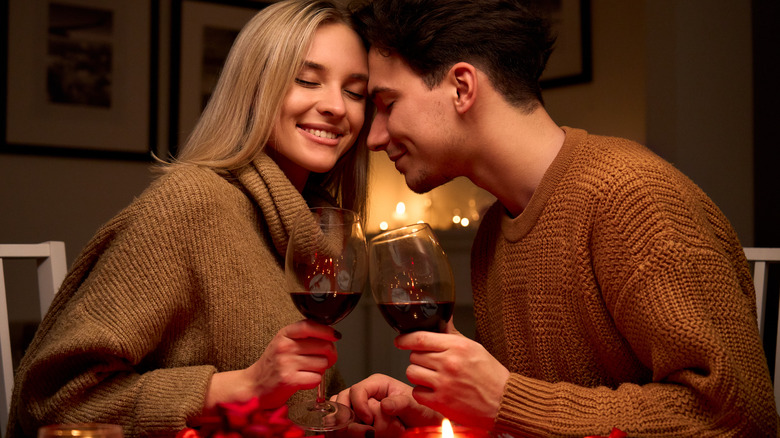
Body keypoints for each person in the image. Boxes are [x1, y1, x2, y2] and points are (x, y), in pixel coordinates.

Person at [334, 0, 779, 436]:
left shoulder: (632, 197)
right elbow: (535, 415)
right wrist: (446, 412)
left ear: (462, 88)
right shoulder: (493, 233)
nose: (373, 137)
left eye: (387, 104)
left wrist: (505, 400)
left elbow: (739, 417)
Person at [8, 1, 370, 436]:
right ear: (255, 88)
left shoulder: (315, 227)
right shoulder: (191, 203)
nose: (337, 106)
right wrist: (242, 386)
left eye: (355, 92)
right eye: (307, 80)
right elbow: (50, 401)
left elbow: (278, 412)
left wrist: (345, 410)